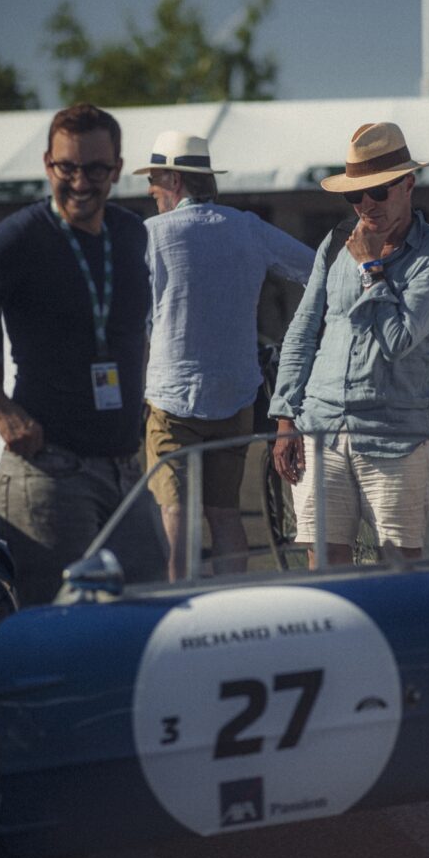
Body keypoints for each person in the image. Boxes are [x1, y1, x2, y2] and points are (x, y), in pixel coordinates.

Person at [0, 103, 154, 606]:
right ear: (48, 163)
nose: (79, 182)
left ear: (116, 169)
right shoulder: (22, 236)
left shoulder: (131, 234)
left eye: (94, 169)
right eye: (66, 167)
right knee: (62, 634)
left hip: (125, 469)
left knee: (150, 613)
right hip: (49, 475)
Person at [269, 122, 429, 567]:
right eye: (354, 195)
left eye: (378, 191)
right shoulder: (336, 241)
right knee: (324, 570)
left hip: (393, 433)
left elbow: (397, 340)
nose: (365, 205)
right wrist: (285, 419)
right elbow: (302, 330)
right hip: (320, 426)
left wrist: (371, 268)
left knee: (399, 568)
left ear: (408, 183)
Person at [135, 131, 314, 579]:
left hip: (169, 399)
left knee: (176, 515)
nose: (151, 190)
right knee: (225, 513)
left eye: (154, 179)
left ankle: (182, 611)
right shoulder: (248, 227)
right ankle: (230, 610)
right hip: (235, 395)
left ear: (174, 180)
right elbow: (318, 269)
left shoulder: (151, 235)